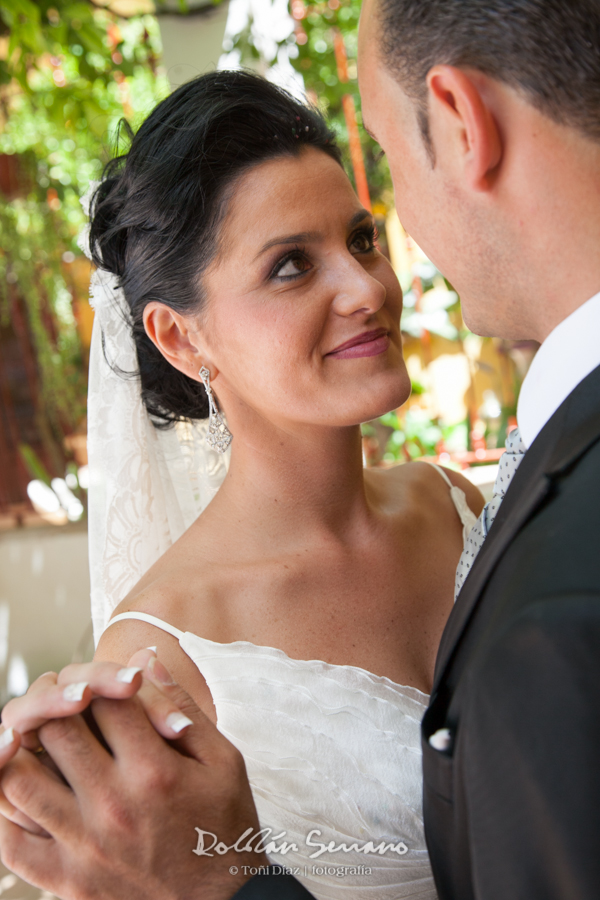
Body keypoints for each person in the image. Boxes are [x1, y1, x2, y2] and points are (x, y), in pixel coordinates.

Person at [2, 0, 599, 896]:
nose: (367, 286)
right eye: (290, 264)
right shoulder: (162, 660)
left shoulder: (461, 504)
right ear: (178, 337)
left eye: (362, 238)